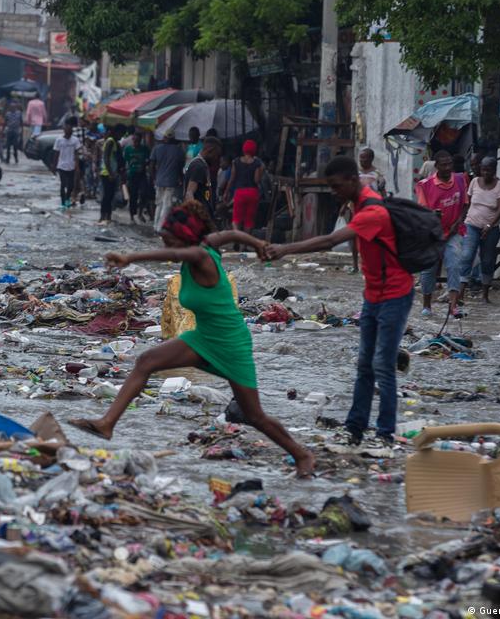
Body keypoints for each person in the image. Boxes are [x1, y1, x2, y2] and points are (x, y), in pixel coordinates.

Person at [67, 201, 316, 477]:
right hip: (204, 336)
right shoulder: (208, 243)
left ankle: (302, 455)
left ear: (184, 237)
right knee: (146, 360)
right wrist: (257, 243)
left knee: (254, 415)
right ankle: (107, 424)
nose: (165, 241)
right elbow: (233, 235)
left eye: (169, 237)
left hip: (231, 342)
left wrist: (130, 258)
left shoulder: (199, 254)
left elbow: (170, 253)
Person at [267, 157, 413, 446]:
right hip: (373, 295)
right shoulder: (358, 205)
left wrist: (285, 249)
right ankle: (355, 429)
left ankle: (385, 434)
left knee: (382, 364)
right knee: (364, 365)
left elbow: (329, 242)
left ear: (351, 180)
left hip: (395, 294)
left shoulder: (372, 209)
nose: (333, 192)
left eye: (335, 186)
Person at [415, 150, 468, 316]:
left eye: (449, 164)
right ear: (436, 166)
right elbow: (423, 211)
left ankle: (453, 306)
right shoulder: (425, 185)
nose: (447, 168)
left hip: (454, 232)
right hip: (433, 233)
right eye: (443, 165)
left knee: (454, 265)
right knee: (428, 269)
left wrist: (457, 223)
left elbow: (465, 205)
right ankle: (427, 304)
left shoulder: (460, 180)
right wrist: (433, 216)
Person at [454, 156, 500, 304]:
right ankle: (461, 292)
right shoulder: (474, 182)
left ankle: (485, 295)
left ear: (494, 170)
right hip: (471, 225)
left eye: (488, 170)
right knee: (466, 256)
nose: (485, 173)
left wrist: (490, 225)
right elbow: (468, 203)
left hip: (491, 228)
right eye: (483, 169)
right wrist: (460, 220)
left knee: (488, 259)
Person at [149, 130, 184, 233]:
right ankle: (160, 228)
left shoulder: (157, 148)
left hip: (159, 181)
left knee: (159, 204)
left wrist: (153, 178)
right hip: (171, 181)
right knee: (167, 205)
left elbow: (151, 166)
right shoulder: (179, 151)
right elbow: (180, 168)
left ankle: (155, 226)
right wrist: (181, 179)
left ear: (164, 138)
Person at [227, 140, 264, 234]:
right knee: (249, 220)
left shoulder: (236, 161)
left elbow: (232, 178)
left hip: (240, 192)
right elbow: (256, 180)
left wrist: (226, 191)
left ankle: (237, 237)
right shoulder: (257, 163)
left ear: (244, 149)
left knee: (236, 218)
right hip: (252, 193)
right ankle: (245, 245)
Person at [184, 136, 221, 220]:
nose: (216, 158)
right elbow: (189, 193)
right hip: (200, 217)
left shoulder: (202, 165)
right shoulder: (198, 166)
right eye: (216, 155)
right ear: (209, 150)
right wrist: (196, 214)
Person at [52, 121, 82, 210]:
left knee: (71, 185)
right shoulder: (59, 140)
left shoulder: (75, 140)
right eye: (67, 130)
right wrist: (54, 165)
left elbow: (76, 153)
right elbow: (56, 153)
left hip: (71, 165)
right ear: (64, 131)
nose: (69, 132)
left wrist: (77, 165)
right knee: (63, 184)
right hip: (61, 165)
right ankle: (63, 202)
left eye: (70, 130)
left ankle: (68, 198)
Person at [122, 131, 150, 223]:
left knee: (144, 193)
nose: (135, 143)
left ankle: (140, 212)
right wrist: (124, 175)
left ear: (140, 140)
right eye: (134, 140)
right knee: (132, 196)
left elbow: (149, 160)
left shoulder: (145, 149)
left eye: (137, 141)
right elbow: (125, 162)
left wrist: (145, 164)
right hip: (131, 175)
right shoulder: (128, 149)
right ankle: (132, 216)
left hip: (142, 174)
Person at [98, 127, 121, 225]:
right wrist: (111, 173)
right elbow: (106, 158)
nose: (121, 136)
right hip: (107, 173)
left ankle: (107, 216)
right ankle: (104, 216)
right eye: (120, 133)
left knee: (110, 196)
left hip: (110, 173)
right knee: (107, 196)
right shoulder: (110, 141)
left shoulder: (114, 142)